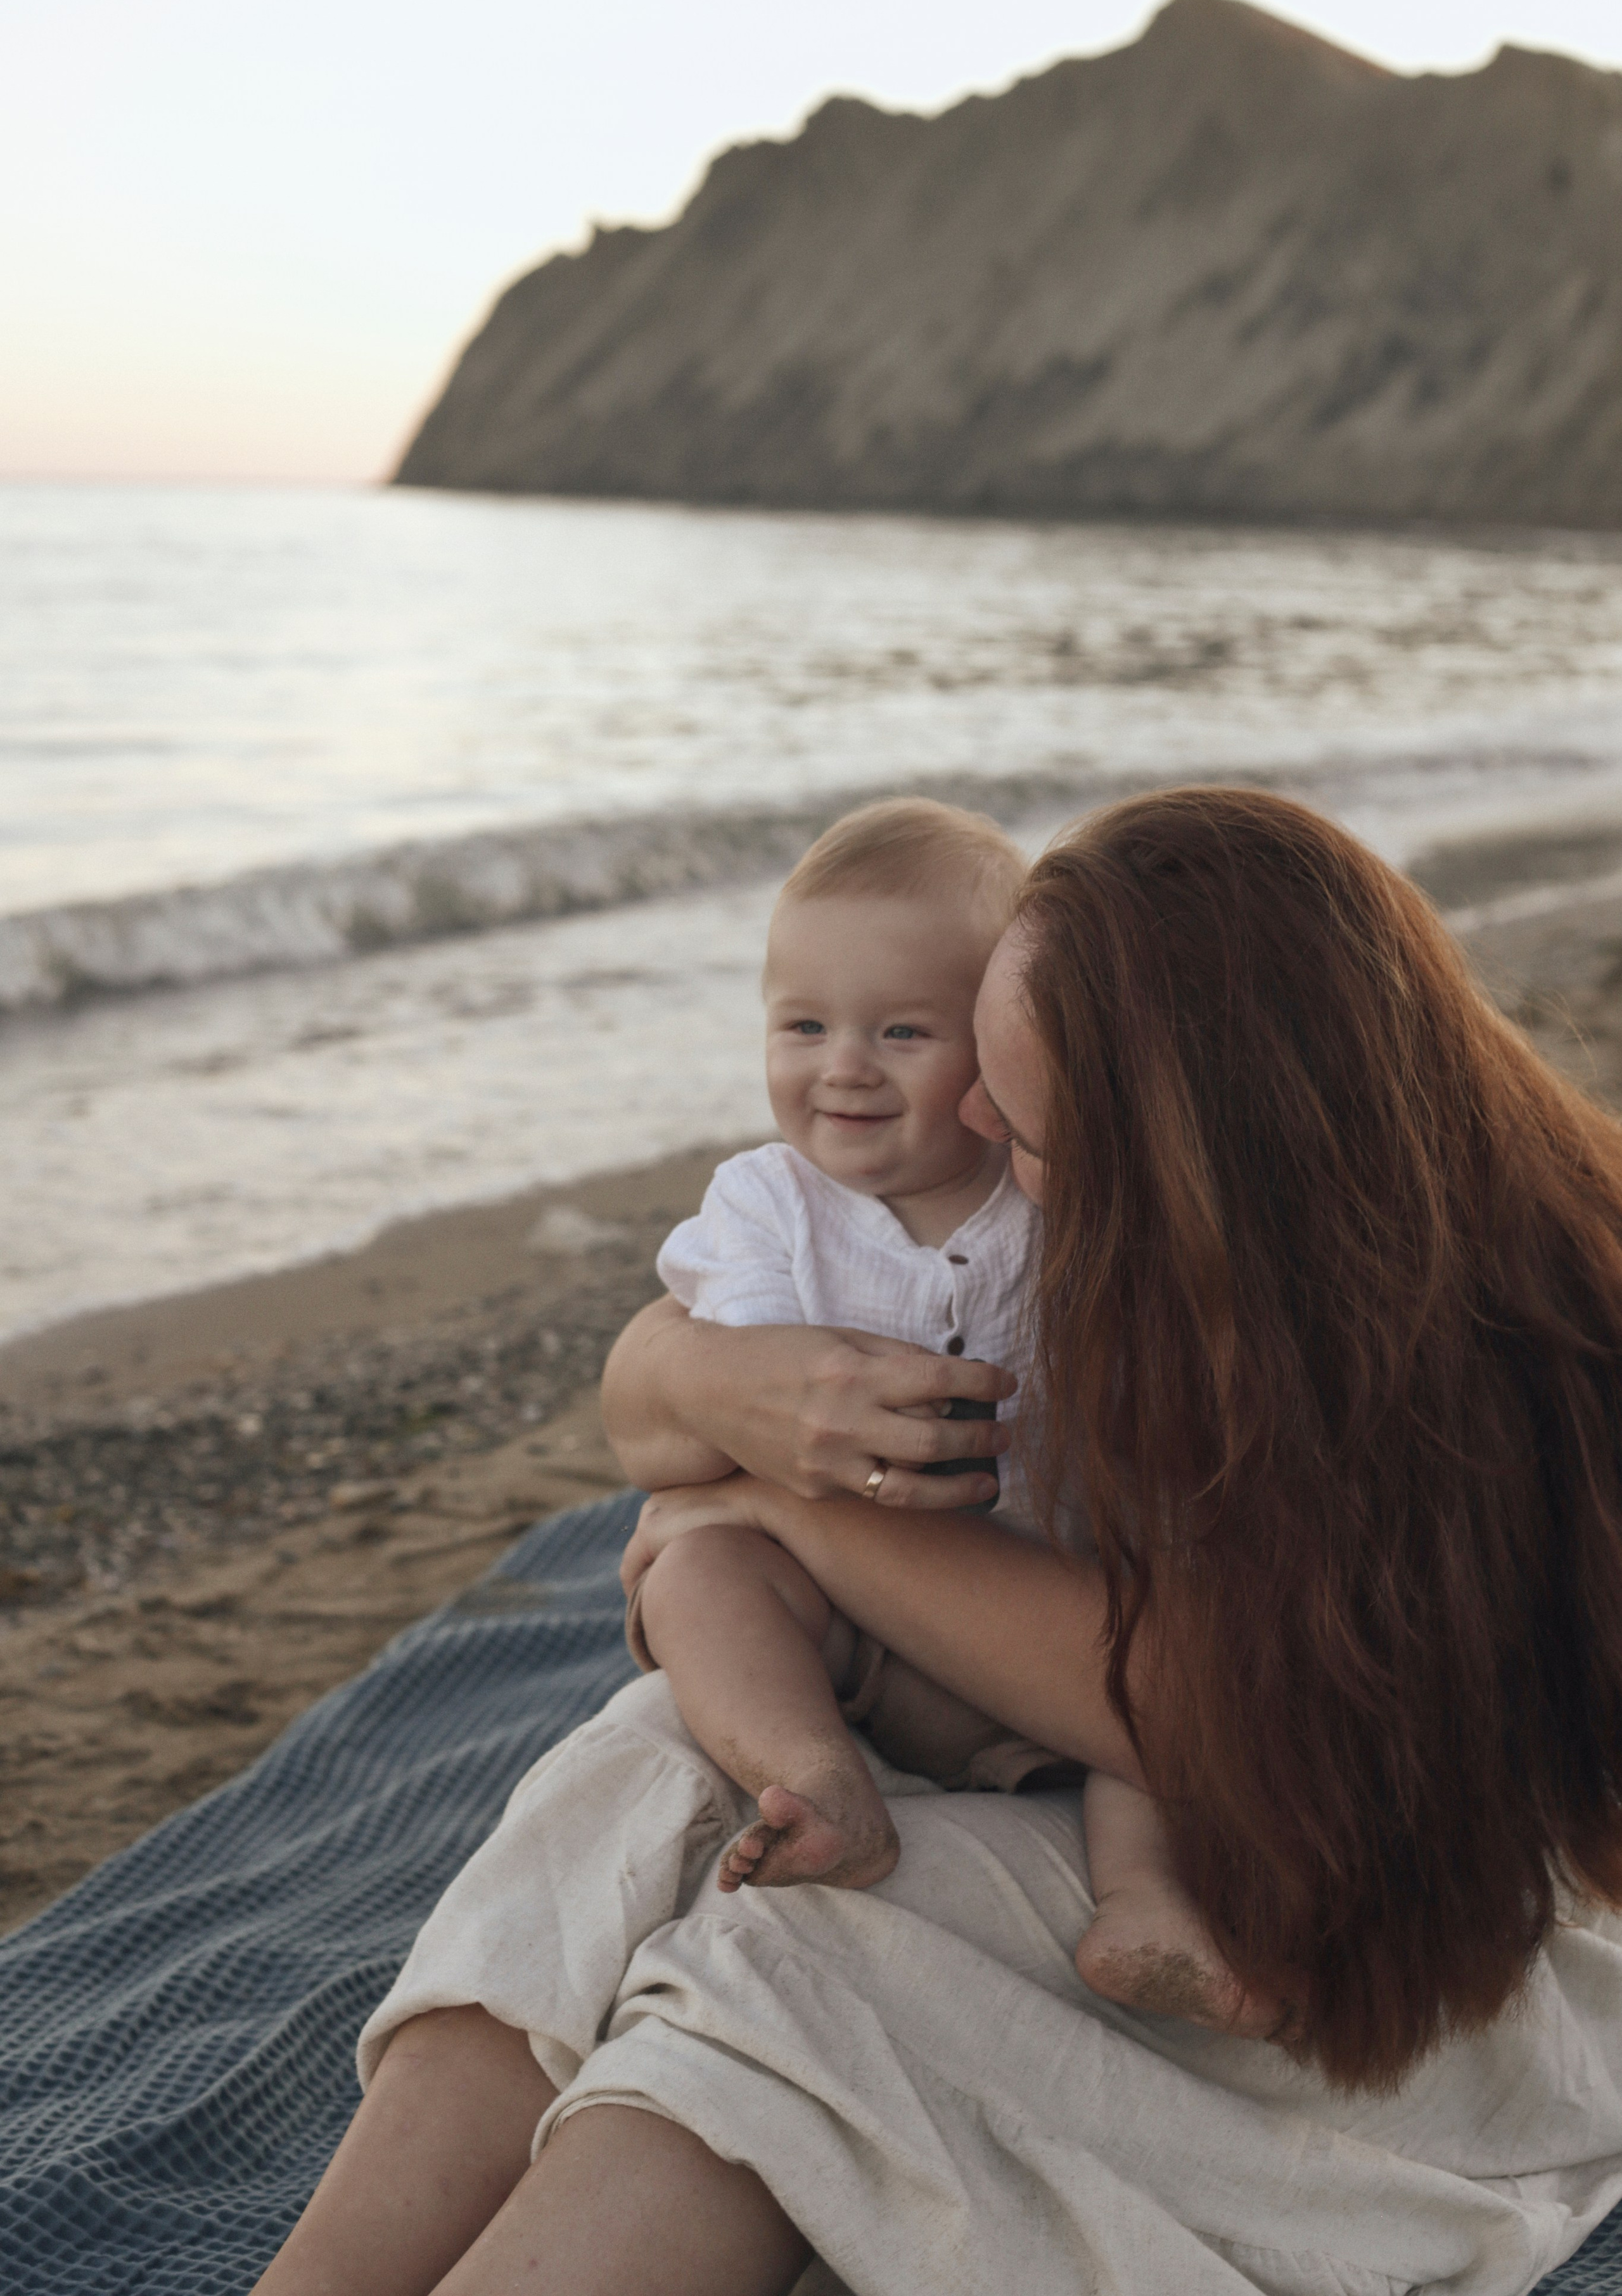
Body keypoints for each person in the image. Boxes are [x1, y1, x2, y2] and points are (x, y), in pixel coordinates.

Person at [256, 788, 1622, 2296]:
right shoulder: (1158, 1245)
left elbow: (1199, 1702)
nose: (968, 1126)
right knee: (639, 1768)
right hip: (1087, 1759)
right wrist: (714, 1388)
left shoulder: (1454, 1353)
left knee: (784, 1965)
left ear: (1201, 1147)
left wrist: (773, 1501)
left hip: (1361, 1929)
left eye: (1023, 1127)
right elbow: (656, 1389)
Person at [632, 795, 1272, 2037]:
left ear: (995, 1045)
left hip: (1056, 1620)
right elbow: (741, 1378)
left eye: (902, 1030)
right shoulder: (766, 1203)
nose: (843, 1066)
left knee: (1153, 1713)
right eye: (802, 1025)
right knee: (697, 1568)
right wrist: (748, 1421)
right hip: (854, 1617)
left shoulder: (1050, 1197)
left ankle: (1142, 1906)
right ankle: (813, 1778)